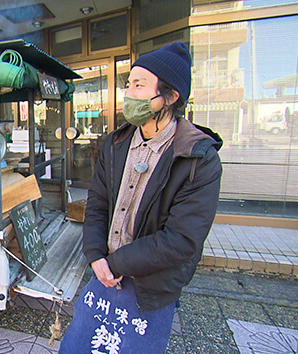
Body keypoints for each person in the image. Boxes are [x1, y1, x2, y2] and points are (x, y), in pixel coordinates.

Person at [59, 42, 222, 353]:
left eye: (139, 85)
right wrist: (95, 254)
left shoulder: (198, 159)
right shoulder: (115, 143)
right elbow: (97, 203)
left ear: (170, 97)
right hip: (105, 271)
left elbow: (181, 240)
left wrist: (114, 263)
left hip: (152, 286)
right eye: (128, 84)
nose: (129, 94)